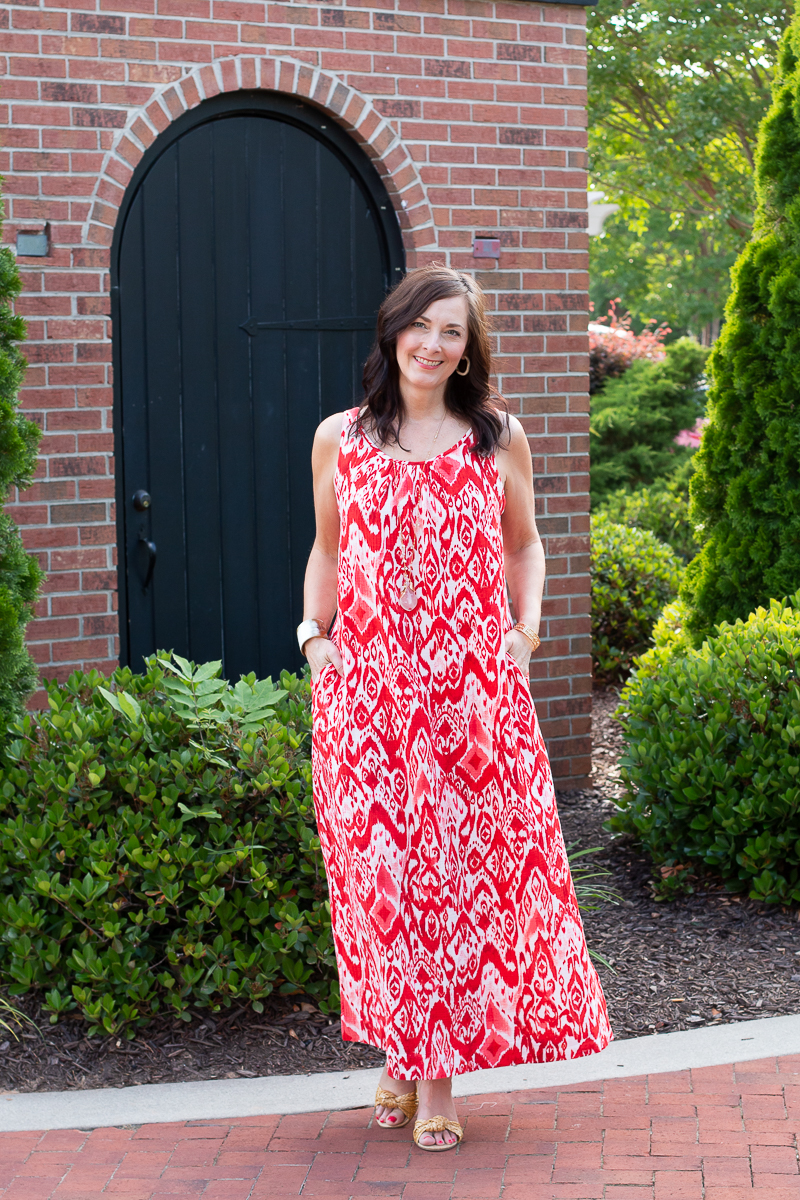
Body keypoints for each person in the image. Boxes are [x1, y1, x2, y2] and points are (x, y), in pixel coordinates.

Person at [298, 265, 611, 1152]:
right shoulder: (339, 439)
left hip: (474, 699)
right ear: (393, 330)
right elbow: (327, 552)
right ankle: (404, 1054)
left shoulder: (494, 437)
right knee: (388, 882)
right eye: (422, 327)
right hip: (367, 702)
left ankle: (436, 1082)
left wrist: (524, 634)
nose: (434, 346)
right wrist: (313, 641)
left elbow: (529, 546)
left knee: (462, 883)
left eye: (453, 334)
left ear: (469, 350)